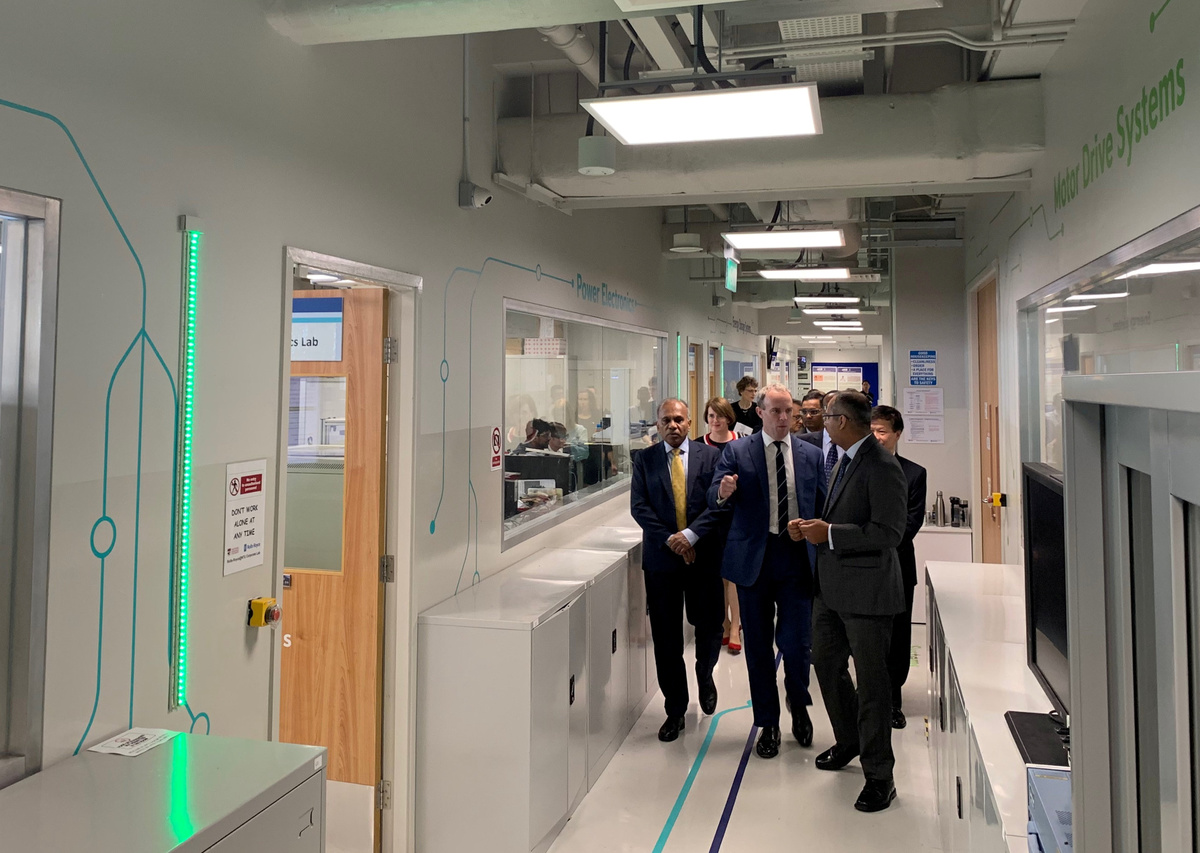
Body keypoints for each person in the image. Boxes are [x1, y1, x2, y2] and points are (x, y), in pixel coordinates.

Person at [794, 390, 907, 813]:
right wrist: (813, 528)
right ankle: (850, 740)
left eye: (827, 416)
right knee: (825, 663)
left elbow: (889, 532)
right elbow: (840, 516)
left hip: (868, 594)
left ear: (842, 421)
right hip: (831, 589)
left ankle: (879, 775)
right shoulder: (844, 460)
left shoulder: (882, 466)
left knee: (873, 685)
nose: (822, 422)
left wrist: (831, 534)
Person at [709, 384, 825, 759]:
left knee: (797, 645)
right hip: (753, 562)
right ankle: (768, 722)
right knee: (758, 648)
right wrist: (723, 490)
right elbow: (714, 495)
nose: (784, 418)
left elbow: (823, 504)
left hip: (796, 559)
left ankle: (799, 702)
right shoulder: (737, 451)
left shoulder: (810, 454)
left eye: (789, 411)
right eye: (776, 411)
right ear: (759, 413)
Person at [630, 399, 725, 743]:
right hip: (662, 561)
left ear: (689, 423)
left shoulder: (711, 457)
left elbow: (718, 505)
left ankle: (705, 672)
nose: (673, 425)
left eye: (679, 419)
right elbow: (639, 507)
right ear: (657, 425)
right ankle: (675, 710)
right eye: (667, 420)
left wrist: (691, 536)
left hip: (703, 557)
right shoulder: (645, 460)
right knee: (666, 638)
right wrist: (673, 540)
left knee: (710, 625)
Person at [871, 405, 928, 730]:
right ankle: (869, 695)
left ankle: (893, 699)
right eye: (872, 430)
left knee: (898, 633)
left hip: (898, 566)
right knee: (868, 634)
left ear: (897, 434)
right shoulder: (856, 468)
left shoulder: (914, 473)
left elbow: (910, 523)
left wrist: (874, 541)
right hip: (863, 567)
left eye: (882, 431)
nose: (876, 437)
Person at [701, 397, 741, 655]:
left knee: (733, 575)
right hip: (709, 519)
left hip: (737, 519)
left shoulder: (742, 443)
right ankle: (724, 623)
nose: (716, 420)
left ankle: (736, 626)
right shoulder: (698, 445)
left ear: (729, 417)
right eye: (711, 416)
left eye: (720, 415)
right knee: (717, 576)